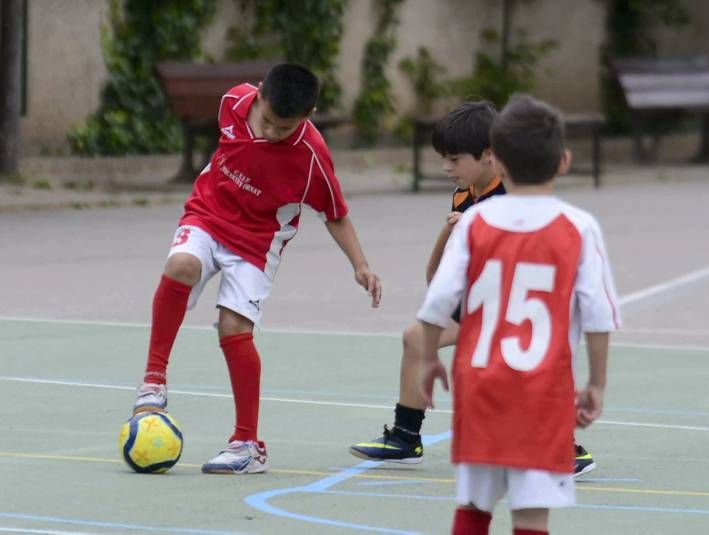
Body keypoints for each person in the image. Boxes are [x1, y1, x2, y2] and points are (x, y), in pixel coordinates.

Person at [132, 63, 381, 475]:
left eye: (283, 129)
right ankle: (153, 380)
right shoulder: (233, 101)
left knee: (233, 327)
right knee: (181, 264)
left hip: (257, 244)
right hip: (207, 215)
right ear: (260, 93)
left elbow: (335, 214)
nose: (270, 133)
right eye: (266, 120)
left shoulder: (312, 156)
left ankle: (247, 443)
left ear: (309, 115)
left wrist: (361, 265)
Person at [348, 101, 598, 477]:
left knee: (518, 370)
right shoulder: (465, 197)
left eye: (454, 159)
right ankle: (404, 437)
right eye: (443, 159)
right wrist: (452, 229)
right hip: (482, 299)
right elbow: (437, 276)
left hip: (523, 304)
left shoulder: (516, 195)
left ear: (488, 155)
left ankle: (566, 447)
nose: (446, 168)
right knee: (416, 337)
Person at [416, 95, 620, 535]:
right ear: (564, 161)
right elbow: (599, 315)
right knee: (530, 517)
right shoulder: (578, 227)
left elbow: (437, 298)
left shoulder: (475, 221)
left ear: (499, 162)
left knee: (472, 508)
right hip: (542, 393)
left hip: (480, 387)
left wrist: (430, 357)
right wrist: (597, 384)